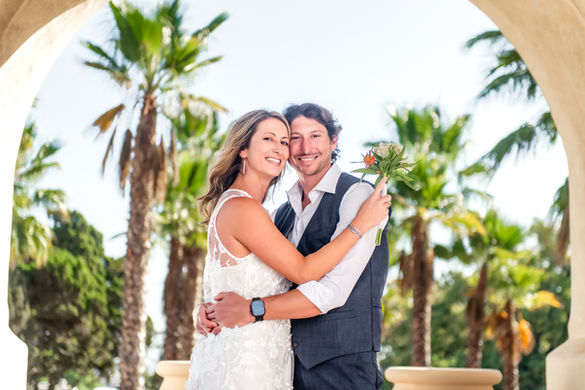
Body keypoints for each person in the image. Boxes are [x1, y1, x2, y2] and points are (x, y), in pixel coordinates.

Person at [185, 108, 390, 390]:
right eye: (293, 138)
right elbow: (274, 273)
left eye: (315, 136)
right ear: (243, 149)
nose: (303, 147)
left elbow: (332, 291)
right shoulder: (277, 214)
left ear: (334, 141)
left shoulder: (360, 197)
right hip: (275, 365)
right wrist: (208, 308)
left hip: (341, 368)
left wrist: (251, 308)